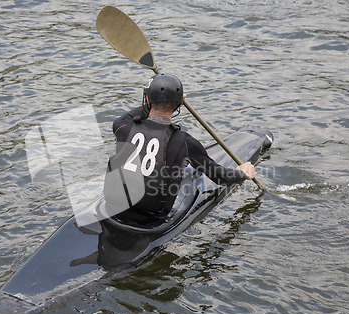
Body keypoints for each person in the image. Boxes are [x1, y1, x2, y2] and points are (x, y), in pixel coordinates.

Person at [104, 74, 256, 224]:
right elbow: (221, 178)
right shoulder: (185, 142)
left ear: (148, 100)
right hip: (151, 218)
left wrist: (159, 97)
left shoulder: (122, 127)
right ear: (180, 105)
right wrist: (242, 173)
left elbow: (132, 115)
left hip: (115, 208)